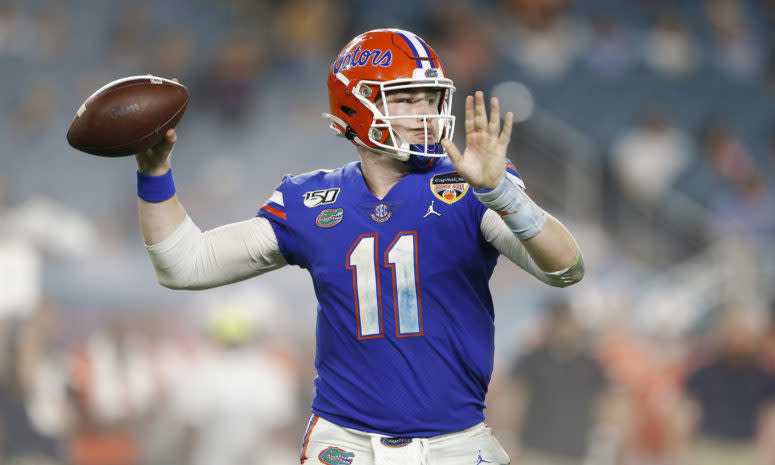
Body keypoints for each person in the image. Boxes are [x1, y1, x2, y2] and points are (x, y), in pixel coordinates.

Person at [133, 29, 584, 465]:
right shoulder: (309, 200)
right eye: (407, 99)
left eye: (431, 98)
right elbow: (185, 265)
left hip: (456, 444)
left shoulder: (470, 184)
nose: (425, 113)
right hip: (345, 444)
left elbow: (565, 268)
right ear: (357, 104)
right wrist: (155, 175)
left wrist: (501, 194)